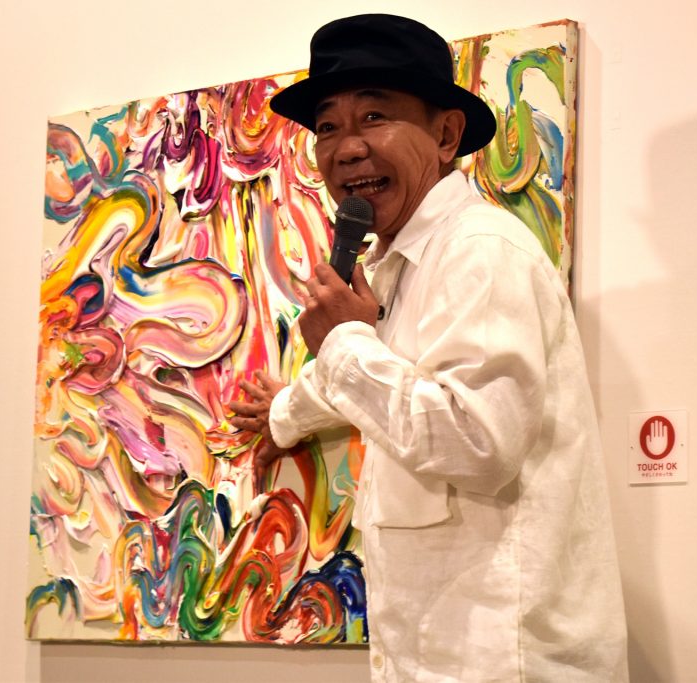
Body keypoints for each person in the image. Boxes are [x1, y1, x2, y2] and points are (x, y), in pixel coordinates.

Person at [230, 14, 628, 682]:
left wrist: (345, 342)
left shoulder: (480, 252)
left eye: (374, 116)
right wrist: (284, 413)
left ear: (445, 135)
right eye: (327, 127)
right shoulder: (399, 267)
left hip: (505, 663)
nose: (346, 149)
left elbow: (479, 440)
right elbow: (383, 376)